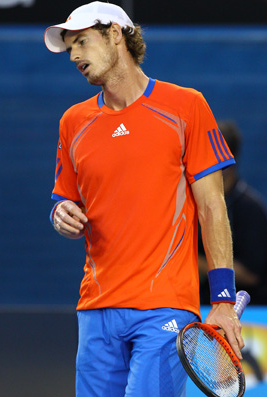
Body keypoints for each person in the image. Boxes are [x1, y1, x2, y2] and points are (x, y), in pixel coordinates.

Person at [44, 2, 244, 396]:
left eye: (82, 41)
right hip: (95, 310)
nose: (76, 56)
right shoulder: (73, 123)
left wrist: (221, 296)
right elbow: (64, 201)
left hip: (164, 307)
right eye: (70, 49)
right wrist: (60, 214)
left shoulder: (187, 106)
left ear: (116, 33)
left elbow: (212, 207)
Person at [198, 120, 267, 305]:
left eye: (210, 155)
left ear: (229, 158)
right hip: (200, 308)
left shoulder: (251, 209)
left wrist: (195, 262)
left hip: (247, 313)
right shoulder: (193, 204)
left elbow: (252, 275)